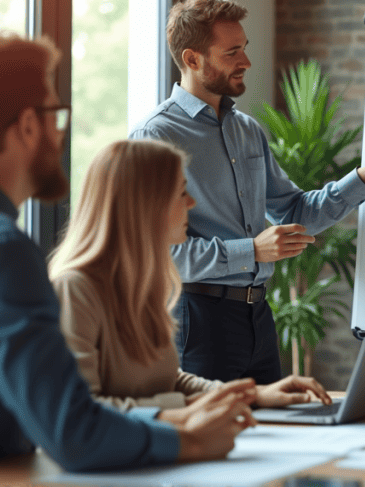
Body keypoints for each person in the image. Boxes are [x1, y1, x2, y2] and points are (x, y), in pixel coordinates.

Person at [0, 34, 255, 480]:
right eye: (56, 115)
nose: (61, 132)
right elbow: (73, 433)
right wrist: (192, 441)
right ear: (28, 126)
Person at [130, 0, 365, 384]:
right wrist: (251, 250)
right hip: (196, 319)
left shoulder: (247, 130)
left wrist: (363, 179)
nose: (246, 61)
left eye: (244, 48)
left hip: (258, 317)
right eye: (232, 52)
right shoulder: (154, 137)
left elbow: (296, 212)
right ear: (193, 60)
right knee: (215, 437)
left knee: (275, 431)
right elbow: (154, 254)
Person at [49, 139, 334, 412]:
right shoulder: (74, 289)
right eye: (181, 192)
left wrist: (252, 394)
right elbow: (81, 410)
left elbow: (169, 380)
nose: (192, 204)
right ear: (146, 205)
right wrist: (191, 409)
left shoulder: (141, 285)